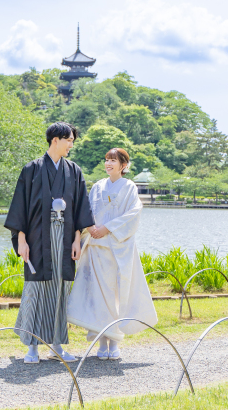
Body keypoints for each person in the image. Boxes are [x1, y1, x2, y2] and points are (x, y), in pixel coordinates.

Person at [4, 122, 95, 364]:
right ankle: (32, 347)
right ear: (56, 139)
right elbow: (20, 207)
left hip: (65, 239)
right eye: (69, 140)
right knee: (35, 290)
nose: (71, 145)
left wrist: (77, 239)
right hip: (37, 238)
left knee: (61, 290)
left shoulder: (74, 171)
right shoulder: (31, 169)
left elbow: (80, 207)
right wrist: (21, 240)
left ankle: (56, 346)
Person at [67, 148, 157, 360]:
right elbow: (86, 210)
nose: (108, 164)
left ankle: (114, 341)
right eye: (107, 160)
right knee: (98, 296)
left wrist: (107, 228)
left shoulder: (129, 187)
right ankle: (101, 342)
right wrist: (90, 227)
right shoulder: (98, 186)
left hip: (117, 249)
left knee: (117, 294)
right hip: (96, 247)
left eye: (113, 160)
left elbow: (133, 214)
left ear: (124, 165)